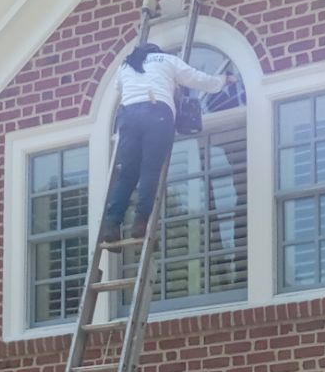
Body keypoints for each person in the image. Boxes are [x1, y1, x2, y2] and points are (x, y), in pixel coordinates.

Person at [97, 42, 228, 248]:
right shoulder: (167, 60)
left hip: (128, 118)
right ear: (157, 52)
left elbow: (118, 88)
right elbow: (196, 78)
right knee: (150, 170)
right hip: (156, 113)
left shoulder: (126, 66)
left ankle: (112, 225)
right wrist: (221, 81)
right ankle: (140, 222)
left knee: (128, 174)